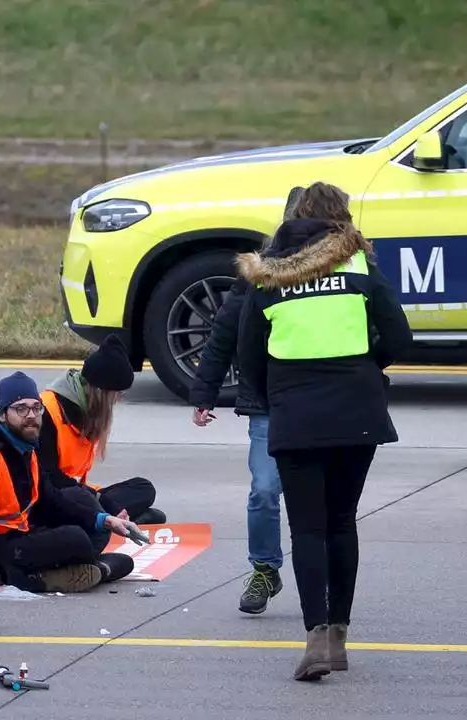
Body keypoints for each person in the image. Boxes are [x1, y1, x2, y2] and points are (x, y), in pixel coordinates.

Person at [235, 181, 412, 682]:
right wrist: (365, 368)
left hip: (296, 415)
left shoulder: (266, 276)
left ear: (295, 219)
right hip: (358, 413)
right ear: (341, 221)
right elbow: (399, 336)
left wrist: (278, 398)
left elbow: (248, 357)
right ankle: (338, 636)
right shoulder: (360, 268)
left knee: (307, 528)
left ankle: (315, 638)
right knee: (342, 522)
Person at [189, 186, 303, 616]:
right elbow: (223, 333)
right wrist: (205, 392)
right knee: (265, 491)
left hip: (315, 399)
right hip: (269, 403)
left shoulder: (338, 269)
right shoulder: (261, 270)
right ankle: (264, 568)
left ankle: (325, 575)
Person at [0, 371, 139, 594]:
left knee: (94, 531)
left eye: (36, 408)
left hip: (11, 538)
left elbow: (52, 500)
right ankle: (40, 578)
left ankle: (71, 568)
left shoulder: (26, 450)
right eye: (21, 409)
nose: (31, 415)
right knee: (76, 540)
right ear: (3, 415)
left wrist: (105, 520)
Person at [36, 334, 166, 525]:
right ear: (101, 392)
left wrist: (97, 500)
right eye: (117, 394)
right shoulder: (47, 412)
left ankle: (110, 519)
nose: (118, 399)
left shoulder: (87, 412)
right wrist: (102, 502)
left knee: (144, 488)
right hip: (52, 498)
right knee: (148, 514)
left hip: (78, 493)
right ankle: (107, 519)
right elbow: (49, 478)